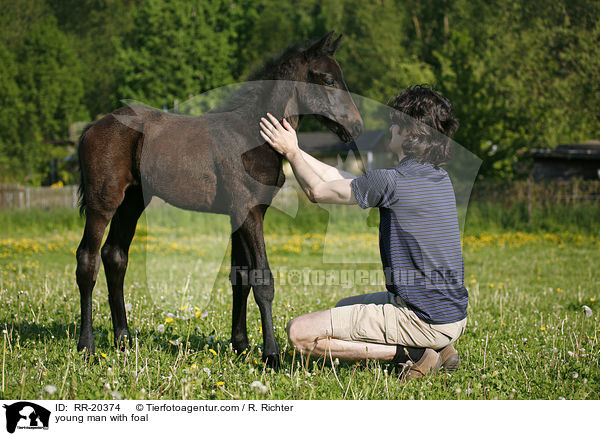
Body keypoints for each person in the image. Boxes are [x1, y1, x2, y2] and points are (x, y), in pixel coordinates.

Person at [259, 85, 467, 379]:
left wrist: (290, 152)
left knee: (300, 334)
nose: (390, 127)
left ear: (409, 133)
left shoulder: (392, 181)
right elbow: (340, 178)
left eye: (396, 122)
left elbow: (316, 190)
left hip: (422, 317)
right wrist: (298, 150)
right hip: (452, 316)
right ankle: (442, 346)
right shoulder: (438, 178)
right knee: (343, 307)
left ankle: (416, 352)